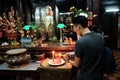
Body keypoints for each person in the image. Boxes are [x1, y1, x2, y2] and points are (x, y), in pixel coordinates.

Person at [64, 16, 105, 80]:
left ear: (79, 27)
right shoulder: (100, 37)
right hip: (99, 75)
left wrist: (68, 59)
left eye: (74, 27)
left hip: (85, 76)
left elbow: (76, 64)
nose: (74, 30)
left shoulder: (80, 42)